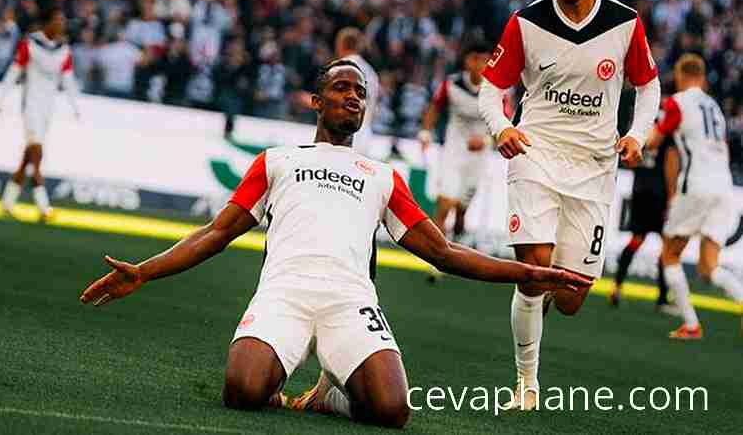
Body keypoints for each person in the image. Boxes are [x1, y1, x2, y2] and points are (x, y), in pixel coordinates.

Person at [79, 59, 591, 429]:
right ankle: (295, 384)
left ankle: (331, 396)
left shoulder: (382, 176)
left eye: (361, 93)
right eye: (343, 88)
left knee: (392, 412)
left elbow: (445, 253)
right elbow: (216, 234)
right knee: (242, 392)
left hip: (351, 300)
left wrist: (528, 273)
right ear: (317, 101)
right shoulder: (276, 160)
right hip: (284, 292)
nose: (353, 97)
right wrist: (144, 271)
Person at [477, 0, 660, 409]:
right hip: (535, 153)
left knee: (573, 295)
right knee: (533, 271)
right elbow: (490, 88)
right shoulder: (526, 22)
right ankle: (527, 384)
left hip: (595, 167)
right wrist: (502, 128)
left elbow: (649, 87)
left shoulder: (625, 23)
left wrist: (637, 134)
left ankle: (541, 306)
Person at [646, 54, 743, 340]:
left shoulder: (677, 102)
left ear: (680, 74)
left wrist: (634, 143)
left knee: (669, 254)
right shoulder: (714, 107)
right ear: (702, 77)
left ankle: (691, 324)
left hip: (696, 186)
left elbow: (655, 138)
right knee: (709, 267)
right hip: (724, 189)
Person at [417, 40, 494, 281]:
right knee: (445, 204)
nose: (480, 64)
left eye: (485, 59)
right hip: (453, 151)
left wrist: (487, 141)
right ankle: (436, 262)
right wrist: (426, 132)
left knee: (461, 212)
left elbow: (505, 120)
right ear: (467, 61)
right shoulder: (451, 84)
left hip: (478, 158)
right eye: (475, 59)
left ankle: (458, 245)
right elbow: (434, 108)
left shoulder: (496, 89)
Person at [0, 6, 79, 221]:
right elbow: (14, 72)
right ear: (47, 22)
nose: (61, 25)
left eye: (63, 21)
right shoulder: (31, 44)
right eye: (58, 20)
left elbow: (68, 80)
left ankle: (7, 202)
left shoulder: (63, 49)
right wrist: (0, 99)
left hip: (47, 109)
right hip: (30, 106)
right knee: (36, 153)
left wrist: (75, 105)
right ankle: (43, 206)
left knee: (28, 158)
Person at [609, 121, 676, 311]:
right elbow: (671, 163)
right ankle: (663, 298)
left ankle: (617, 286)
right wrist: (672, 195)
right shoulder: (667, 136)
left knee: (636, 239)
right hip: (659, 195)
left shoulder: (640, 134)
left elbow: (628, 159)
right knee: (667, 247)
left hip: (639, 191)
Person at [334, 27, 380, 158]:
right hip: (364, 134)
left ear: (340, 44)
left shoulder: (342, 67)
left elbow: (336, 101)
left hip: (343, 133)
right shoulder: (372, 73)